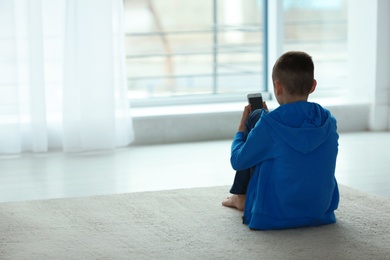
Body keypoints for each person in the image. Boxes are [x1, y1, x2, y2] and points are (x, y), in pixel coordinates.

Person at [222, 51, 339, 230]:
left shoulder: (269, 125)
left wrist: (241, 129)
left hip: (274, 215)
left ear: (277, 87)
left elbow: (237, 161)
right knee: (263, 122)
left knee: (255, 117)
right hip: (320, 212)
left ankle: (241, 198)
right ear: (313, 86)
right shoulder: (329, 121)